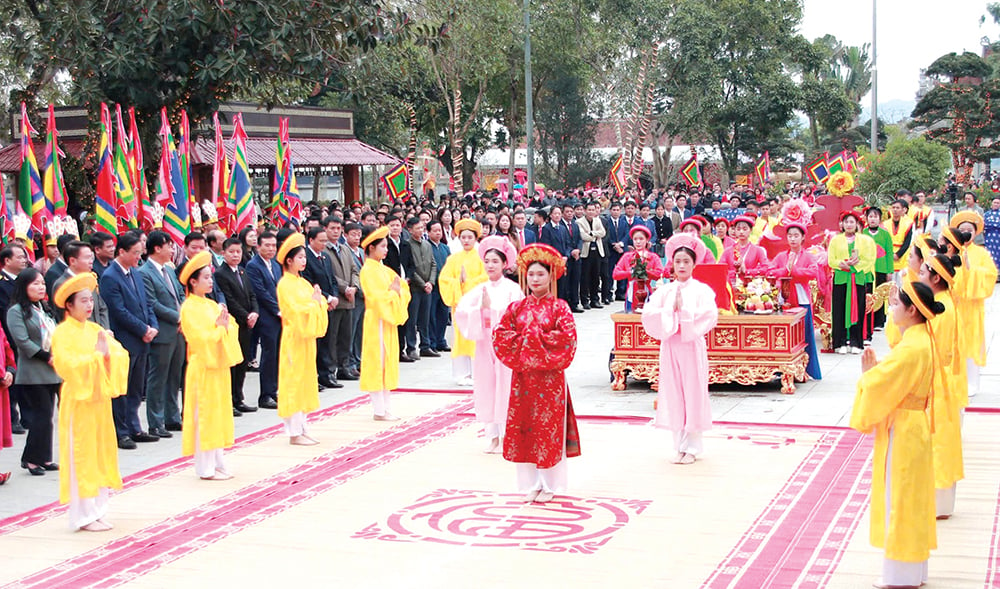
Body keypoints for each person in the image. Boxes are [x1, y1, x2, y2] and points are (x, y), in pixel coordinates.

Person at [850, 280, 941, 589]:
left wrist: (867, 377)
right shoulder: (920, 339)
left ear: (912, 310)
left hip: (905, 428)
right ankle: (913, 570)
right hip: (914, 424)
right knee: (911, 497)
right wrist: (877, 373)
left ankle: (901, 576)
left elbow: (882, 384)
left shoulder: (912, 347)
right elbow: (894, 375)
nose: (892, 309)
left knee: (900, 498)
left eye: (896, 305)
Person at [493, 243, 580, 503]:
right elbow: (501, 336)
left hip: (550, 380)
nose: (535, 279)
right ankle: (531, 483)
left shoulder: (560, 308)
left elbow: (567, 340)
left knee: (548, 429)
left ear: (551, 276)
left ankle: (550, 484)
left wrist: (531, 339)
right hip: (523, 380)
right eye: (531, 274)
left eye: (540, 274)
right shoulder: (516, 308)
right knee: (526, 428)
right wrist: (531, 341)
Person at [51, 273, 129, 530]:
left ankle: (98, 508)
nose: (89, 305)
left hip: (99, 401)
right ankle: (83, 514)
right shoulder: (62, 333)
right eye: (83, 300)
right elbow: (67, 366)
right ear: (69, 304)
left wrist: (107, 356)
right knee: (82, 455)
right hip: (79, 401)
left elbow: (119, 354)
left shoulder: (95, 329)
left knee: (100, 453)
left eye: (90, 300)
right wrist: (97, 356)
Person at [641, 235, 718, 464]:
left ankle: (692, 446)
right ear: (672, 264)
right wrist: (669, 312)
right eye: (678, 262)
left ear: (694, 264)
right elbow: (649, 314)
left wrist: (683, 314)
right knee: (674, 392)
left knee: (692, 392)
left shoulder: (702, 290)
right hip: (671, 346)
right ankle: (679, 445)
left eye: (686, 261)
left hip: (691, 345)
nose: (682, 266)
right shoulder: (665, 290)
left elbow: (709, 315)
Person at [455, 236, 523, 454]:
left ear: (504, 264)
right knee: (486, 387)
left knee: (506, 387)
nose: (490, 265)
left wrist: (491, 310)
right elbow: (462, 313)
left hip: (506, 347)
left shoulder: (513, 289)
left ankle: (507, 435)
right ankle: (492, 435)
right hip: (485, 345)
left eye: (495, 261)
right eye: (487, 261)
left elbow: (517, 316)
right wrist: (481, 310)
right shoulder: (478, 289)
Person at [178, 251, 243, 479]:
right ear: (193, 281)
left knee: (218, 413)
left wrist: (224, 327)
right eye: (205, 277)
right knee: (204, 414)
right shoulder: (189, 308)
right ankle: (205, 467)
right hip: (203, 365)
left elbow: (231, 326)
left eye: (210, 277)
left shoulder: (212, 304)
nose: (210, 281)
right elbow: (199, 338)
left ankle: (217, 461)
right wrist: (219, 329)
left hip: (218, 365)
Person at [99, 232, 159, 449]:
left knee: (135, 388)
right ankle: (121, 431)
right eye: (135, 253)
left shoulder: (135, 273)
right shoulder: (109, 276)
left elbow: (147, 304)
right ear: (121, 252)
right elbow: (118, 311)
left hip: (143, 339)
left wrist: (152, 327)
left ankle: (135, 427)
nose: (138, 257)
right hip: (126, 339)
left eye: (140, 252)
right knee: (122, 389)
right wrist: (143, 329)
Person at [6, 268, 62, 475]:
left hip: (53, 370)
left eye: (42, 283)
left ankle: (44, 457)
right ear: (24, 287)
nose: (41, 287)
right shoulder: (16, 311)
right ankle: (30, 459)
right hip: (33, 371)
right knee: (40, 416)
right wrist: (47, 357)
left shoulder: (43, 308)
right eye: (35, 284)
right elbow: (22, 341)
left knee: (48, 416)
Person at [276, 233, 330, 444]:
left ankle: (302, 426)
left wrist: (317, 303)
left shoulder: (303, 283)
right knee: (294, 381)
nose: (303, 261)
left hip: (307, 338)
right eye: (299, 257)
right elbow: (293, 311)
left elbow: (320, 302)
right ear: (289, 260)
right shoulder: (285, 284)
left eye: (304, 257)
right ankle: (293, 432)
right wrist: (314, 304)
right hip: (294, 337)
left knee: (306, 380)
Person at [359, 226, 411, 420]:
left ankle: (385, 407)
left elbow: (402, 288)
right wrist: (392, 292)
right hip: (376, 320)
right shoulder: (368, 270)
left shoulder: (384, 269)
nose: (386, 249)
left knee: (387, 362)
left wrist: (396, 292)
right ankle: (379, 409)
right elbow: (375, 297)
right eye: (382, 246)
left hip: (387, 319)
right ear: (371, 248)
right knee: (377, 362)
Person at [137, 231, 186, 437]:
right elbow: (152, 303)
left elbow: (180, 294)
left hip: (179, 331)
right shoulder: (144, 272)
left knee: (175, 376)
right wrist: (177, 317)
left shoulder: (169, 269)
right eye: (169, 246)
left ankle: (172, 417)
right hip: (164, 330)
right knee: (158, 377)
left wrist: (185, 313)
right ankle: (155, 422)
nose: (172, 250)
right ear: (157, 248)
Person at [948, 212, 998, 398]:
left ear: (975, 232)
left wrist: (971, 269)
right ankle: (951, 380)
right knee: (951, 344)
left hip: (972, 307)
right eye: (962, 230)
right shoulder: (950, 251)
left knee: (970, 343)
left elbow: (990, 275)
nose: (966, 233)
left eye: (969, 230)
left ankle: (971, 383)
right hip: (953, 304)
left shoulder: (981, 253)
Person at [767, 223, 822, 380]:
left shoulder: (807, 256)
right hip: (783, 297)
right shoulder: (781, 256)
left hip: (801, 296)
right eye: (790, 235)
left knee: (804, 333)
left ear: (803, 237)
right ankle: (781, 368)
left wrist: (794, 271)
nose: (792, 239)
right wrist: (786, 271)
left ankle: (806, 368)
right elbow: (770, 270)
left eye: (796, 235)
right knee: (783, 333)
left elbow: (813, 271)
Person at [438, 219, 487, 386]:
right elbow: (444, 279)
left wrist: (469, 282)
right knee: (460, 339)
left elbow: (486, 278)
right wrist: (458, 283)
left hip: (477, 306)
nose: (466, 240)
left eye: (469, 237)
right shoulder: (453, 259)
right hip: (460, 304)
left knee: (477, 339)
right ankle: (461, 374)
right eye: (463, 237)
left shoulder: (482, 257)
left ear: (475, 238)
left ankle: (478, 373)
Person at [214, 237, 260, 414]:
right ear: (223, 253)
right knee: (232, 363)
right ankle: (230, 400)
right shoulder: (220, 274)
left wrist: (254, 312)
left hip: (247, 323)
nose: (235, 255)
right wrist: (246, 315)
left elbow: (252, 294)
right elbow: (229, 300)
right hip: (233, 323)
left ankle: (239, 397)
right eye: (231, 252)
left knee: (242, 362)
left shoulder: (242, 271)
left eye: (238, 251)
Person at [828, 210, 876, 354]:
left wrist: (854, 267)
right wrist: (841, 264)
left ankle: (856, 342)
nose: (849, 225)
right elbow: (831, 259)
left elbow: (870, 259)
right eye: (846, 222)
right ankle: (840, 342)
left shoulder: (866, 240)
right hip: (841, 278)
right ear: (842, 224)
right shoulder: (835, 240)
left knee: (859, 310)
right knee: (839, 310)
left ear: (857, 225)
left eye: (852, 222)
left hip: (858, 278)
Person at [244, 231, 281, 409]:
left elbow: (279, 288)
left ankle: (274, 390)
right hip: (266, 316)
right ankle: (265, 395)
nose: (271, 249)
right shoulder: (253, 266)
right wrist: (277, 309)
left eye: (273, 245)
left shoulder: (275, 264)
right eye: (267, 245)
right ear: (258, 246)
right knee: (268, 354)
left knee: (277, 355)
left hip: (279, 315)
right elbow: (261, 292)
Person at [325, 216, 361, 381]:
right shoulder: (324, 250)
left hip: (350, 298)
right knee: (333, 338)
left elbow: (355, 269)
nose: (335, 231)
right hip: (336, 299)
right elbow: (330, 275)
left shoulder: (344, 249)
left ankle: (344, 366)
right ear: (325, 229)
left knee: (346, 337)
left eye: (338, 228)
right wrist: (344, 288)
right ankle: (331, 370)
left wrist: (354, 287)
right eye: (332, 228)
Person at [401, 217, 438, 359]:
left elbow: (433, 264)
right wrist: (423, 283)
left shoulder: (427, 244)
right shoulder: (407, 245)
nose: (421, 230)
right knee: (412, 319)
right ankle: (411, 347)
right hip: (415, 288)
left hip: (428, 287)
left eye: (422, 228)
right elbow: (410, 268)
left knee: (425, 318)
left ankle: (425, 345)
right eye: (417, 228)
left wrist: (431, 282)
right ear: (410, 230)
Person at [611, 226, 664, 312]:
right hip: (631, 295)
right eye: (635, 239)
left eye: (641, 239)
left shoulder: (653, 257)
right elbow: (615, 274)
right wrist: (631, 272)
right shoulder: (627, 256)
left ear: (647, 240)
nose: (638, 242)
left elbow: (659, 273)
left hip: (647, 292)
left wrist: (645, 272)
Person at [864, 207, 894, 333]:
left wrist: (889, 271)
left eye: (875, 216)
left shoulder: (885, 234)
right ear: (867, 219)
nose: (873, 219)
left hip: (881, 268)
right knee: (869, 294)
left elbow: (889, 253)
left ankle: (879, 321)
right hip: (867, 270)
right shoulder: (863, 233)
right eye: (870, 216)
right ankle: (868, 320)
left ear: (879, 219)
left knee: (880, 295)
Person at [426, 220, 452, 354]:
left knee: (443, 314)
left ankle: (441, 340)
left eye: (439, 230)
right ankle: (432, 342)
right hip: (433, 285)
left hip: (445, 285)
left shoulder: (445, 248)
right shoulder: (427, 247)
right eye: (435, 230)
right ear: (428, 232)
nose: (438, 233)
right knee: (431, 315)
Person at [577, 201, 606, 310]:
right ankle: (585, 300)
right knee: (585, 277)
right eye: (589, 210)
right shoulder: (579, 222)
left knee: (596, 276)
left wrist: (592, 234)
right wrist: (594, 235)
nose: (591, 212)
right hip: (586, 252)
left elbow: (602, 233)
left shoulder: (598, 220)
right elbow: (583, 236)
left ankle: (595, 300)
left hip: (597, 251)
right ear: (585, 211)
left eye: (593, 210)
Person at [720, 216, 768, 280]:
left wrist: (747, 272)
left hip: (751, 285)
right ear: (735, 230)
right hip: (731, 284)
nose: (741, 232)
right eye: (738, 229)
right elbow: (720, 269)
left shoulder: (758, 250)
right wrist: (735, 272)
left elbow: (766, 268)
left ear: (750, 230)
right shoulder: (727, 251)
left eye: (745, 229)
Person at [883, 199, 914, 283]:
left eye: (897, 208)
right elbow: (883, 242)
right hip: (889, 254)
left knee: (901, 283)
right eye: (893, 207)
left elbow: (908, 242)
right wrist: (890, 254)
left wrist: (898, 255)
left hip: (903, 255)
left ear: (903, 210)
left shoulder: (909, 224)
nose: (895, 210)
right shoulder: (885, 224)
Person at [984, 196, 1000, 270]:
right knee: (989, 255)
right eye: (995, 202)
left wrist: (991, 225)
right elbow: (984, 224)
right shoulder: (986, 214)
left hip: (998, 238)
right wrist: (995, 225)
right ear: (992, 203)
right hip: (988, 238)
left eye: (998, 203)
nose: (996, 204)